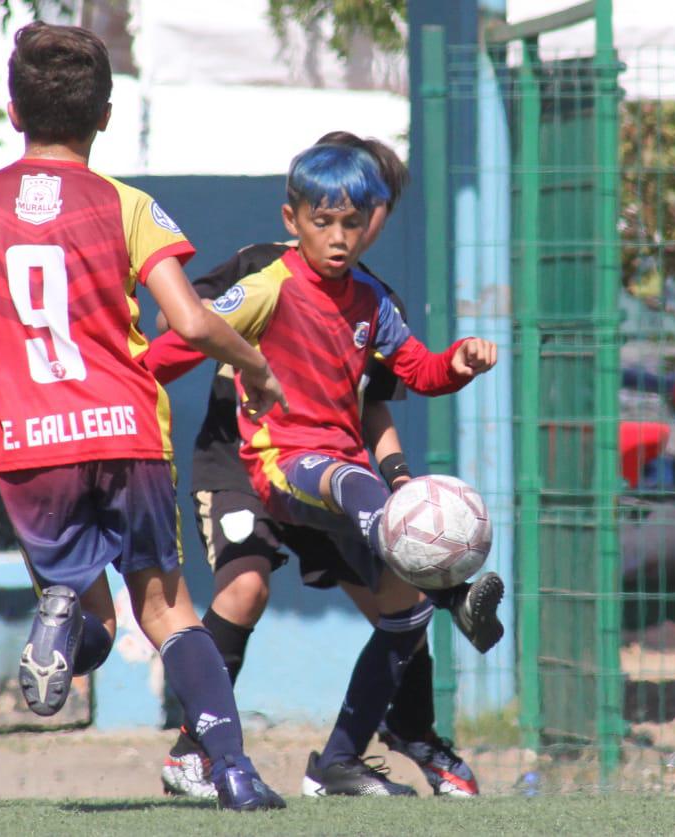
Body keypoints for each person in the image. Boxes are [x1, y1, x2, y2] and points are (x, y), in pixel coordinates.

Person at [0, 22, 289, 810]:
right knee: (166, 608)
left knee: (81, 603)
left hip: (28, 443)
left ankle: (64, 611)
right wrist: (256, 365)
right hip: (125, 431)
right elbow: (192, 323)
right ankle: (233, 772)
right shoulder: (126, 203)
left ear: (11, 111)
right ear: (104, 116)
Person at [144, 142, 501, 797]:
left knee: (404, 612)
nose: (340, 237)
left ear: (373, 219)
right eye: (324, 221)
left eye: (356, 221)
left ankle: (339, 760)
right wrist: (125, 373)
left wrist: (458, 361)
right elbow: (186, 333)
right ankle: (193, 749)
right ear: (294, 216)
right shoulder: (265, 278)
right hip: (268, 461)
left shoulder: (371, 298)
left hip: (333, 466)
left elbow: (413, 371)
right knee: (250, 581)